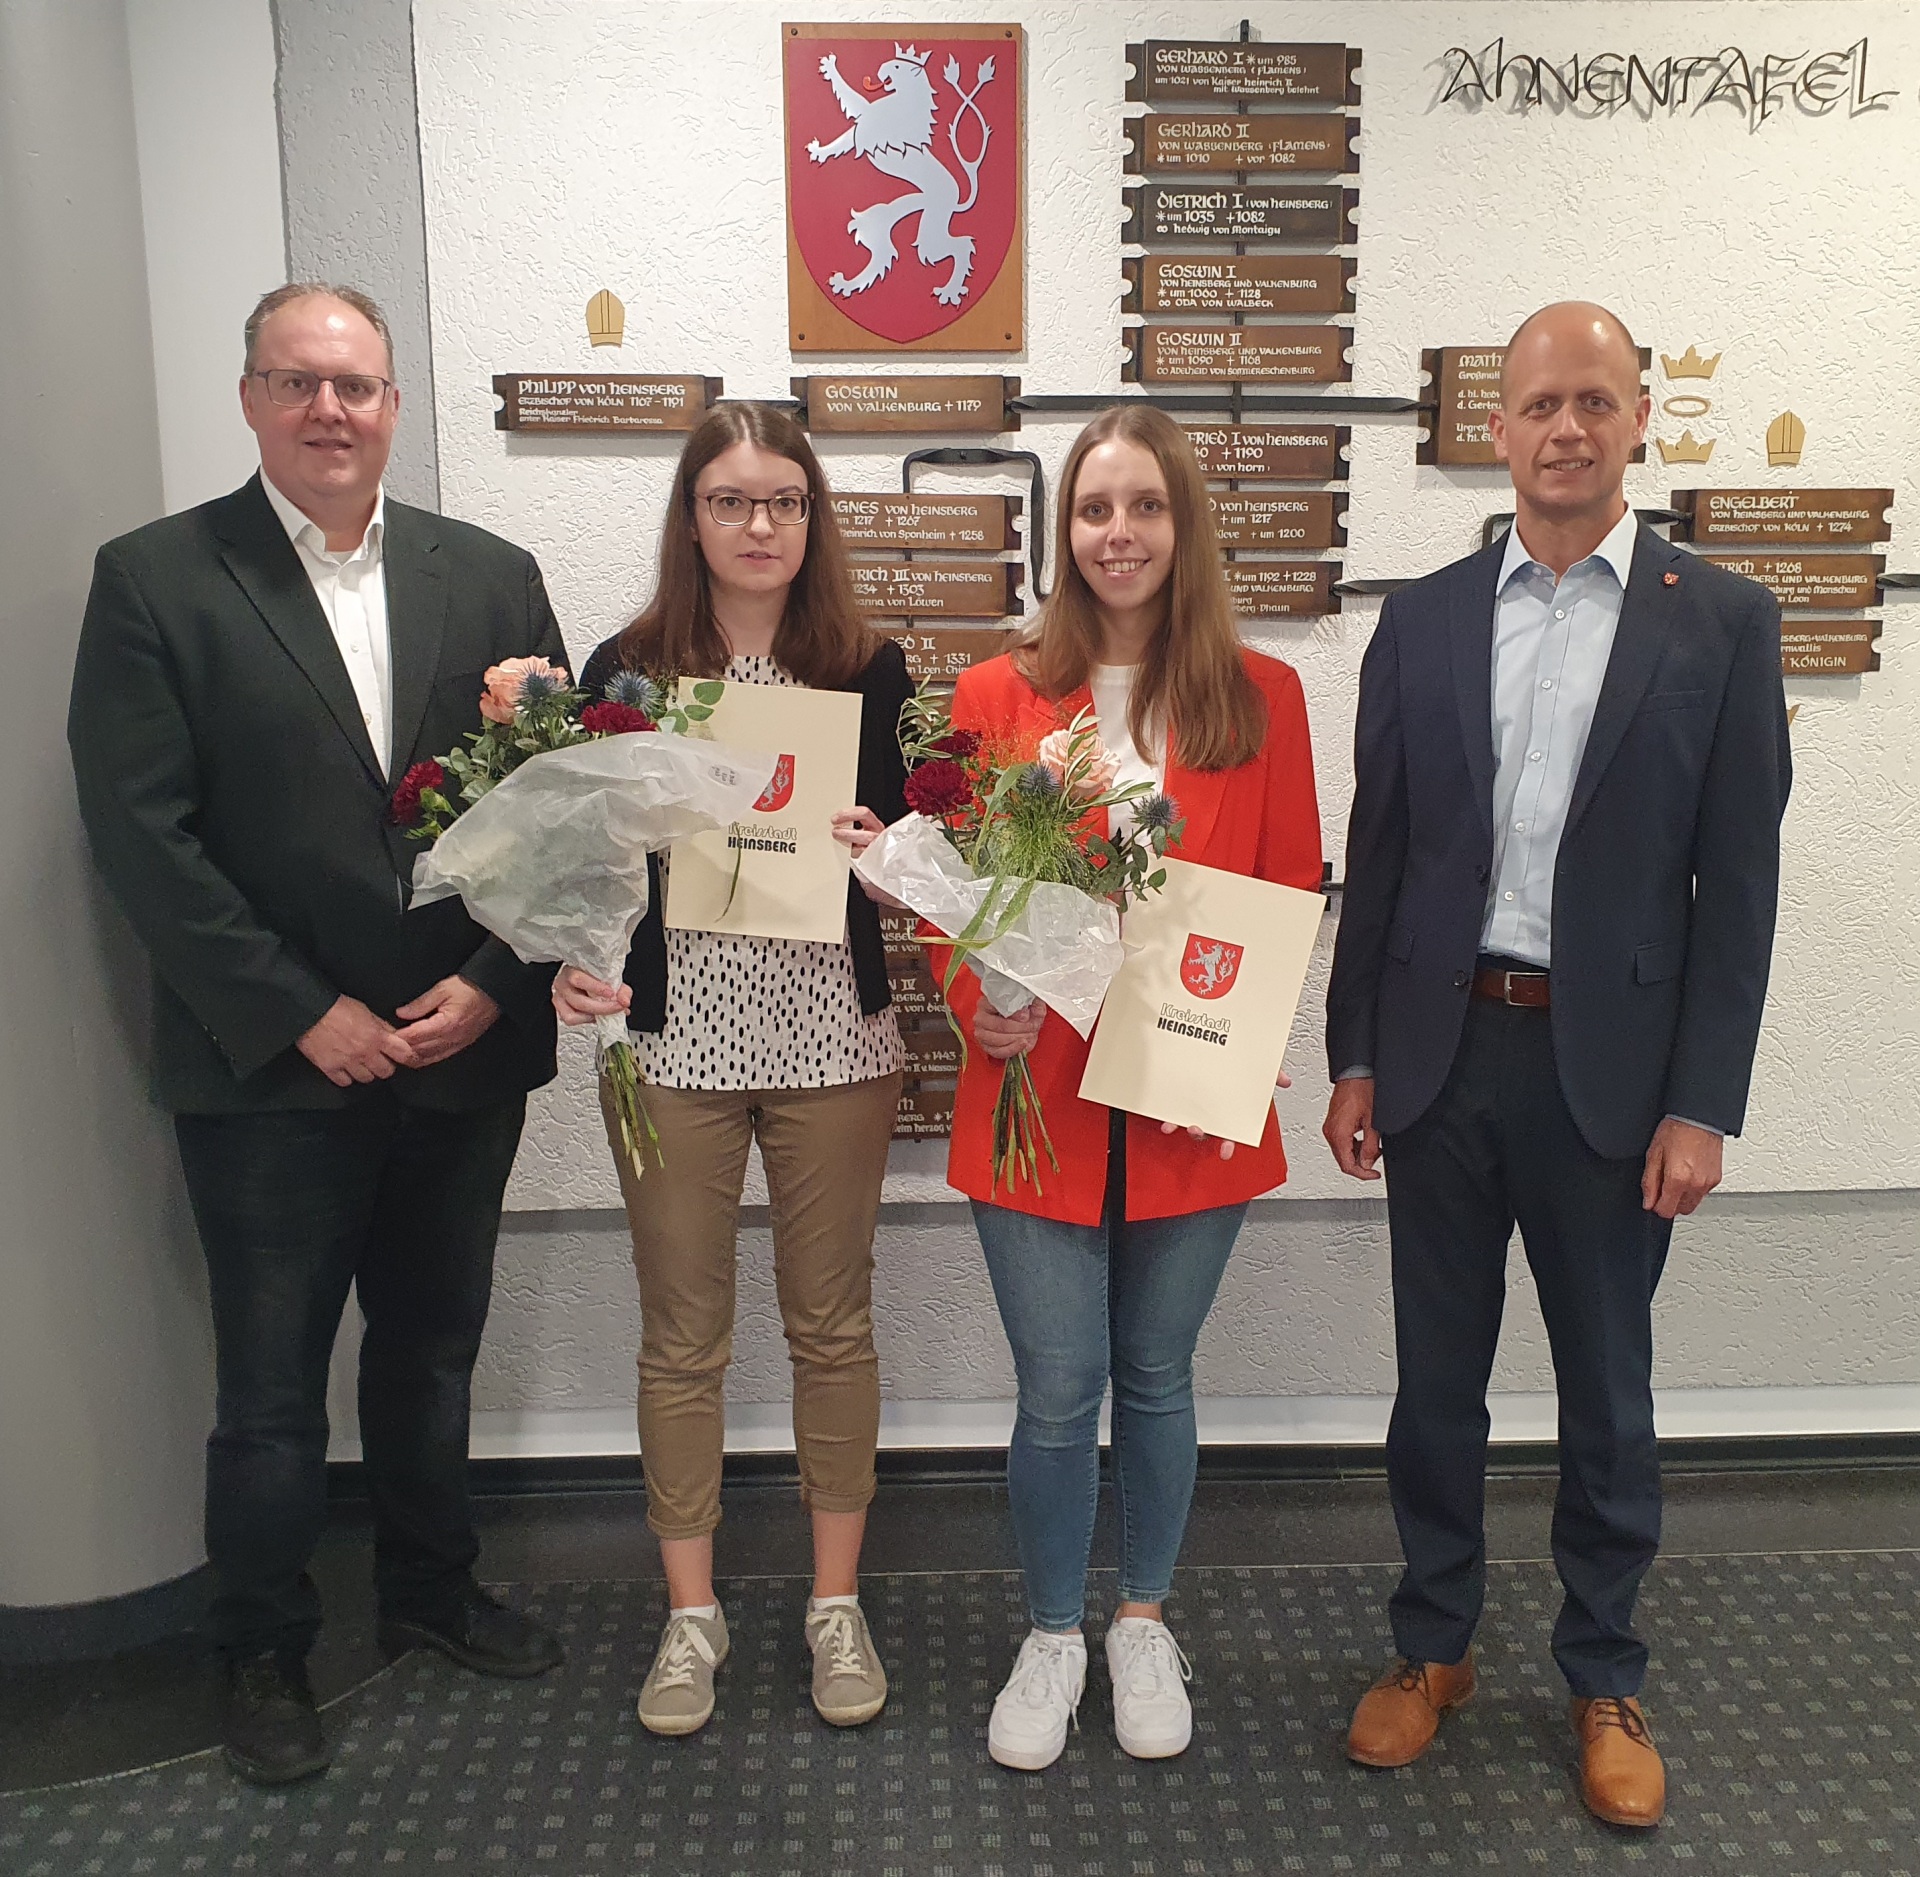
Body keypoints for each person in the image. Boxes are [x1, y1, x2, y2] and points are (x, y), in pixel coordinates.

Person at [66, 285, 567, 1786]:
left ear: (395, 405)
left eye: (356, 386)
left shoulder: (491, 574)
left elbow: (563, 807)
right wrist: (303, 1011)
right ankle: (265, 1650)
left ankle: (426, 1592)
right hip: (271, 1074)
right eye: (300, 382)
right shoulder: (158, 580)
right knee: (272, 1392)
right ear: (251, 399)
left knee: (430, 1354)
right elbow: (142, 837)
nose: (331, 410)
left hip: (461, 1047)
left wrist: (492, 976)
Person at [1323, 302, 1792, 1828]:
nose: (1568, 428)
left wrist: (1703, 1101)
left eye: (1596, 400)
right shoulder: (1428, 618)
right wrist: (1352, 1056)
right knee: (1434, 1386)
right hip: (1442, 1058)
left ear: (1641, 417)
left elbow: (1739, 884)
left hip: (1614, 1077)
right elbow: (1378, 856)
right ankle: (1433, 1644)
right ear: (1499, 427)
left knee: (1609, 1389)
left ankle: (1604, 1666)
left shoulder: (1717, 619)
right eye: (1541, 403)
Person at [935, 406, 1323, 1772]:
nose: (1119, 534)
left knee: (1156, 1372)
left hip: (1186, 1099)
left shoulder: (1262, 698)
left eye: (1144, 507)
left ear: (1184, 525)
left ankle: (1143, 1617)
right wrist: (967, 990)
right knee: (1059, 1386)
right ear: (1066, 532)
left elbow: (1284, 891)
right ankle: (1052, 1632)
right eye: (1095, 509)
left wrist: (1241, 1018)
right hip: (1031, 1092)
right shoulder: (997, 697)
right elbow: (955, 891)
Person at [552, 403, 911, 1738]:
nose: (759, 525)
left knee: (834, 1327)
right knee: (681, 1336)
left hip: (834, 1041)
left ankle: (833, 1604)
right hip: (674, 1040)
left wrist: (886, 843)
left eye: (784, 502)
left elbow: (918, 859)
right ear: (690, 517)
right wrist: (568, 961)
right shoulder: (627, 668)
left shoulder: (870, 669)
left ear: (813, 522)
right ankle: (690, 1616)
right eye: (730, 499)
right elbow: (585, 857)